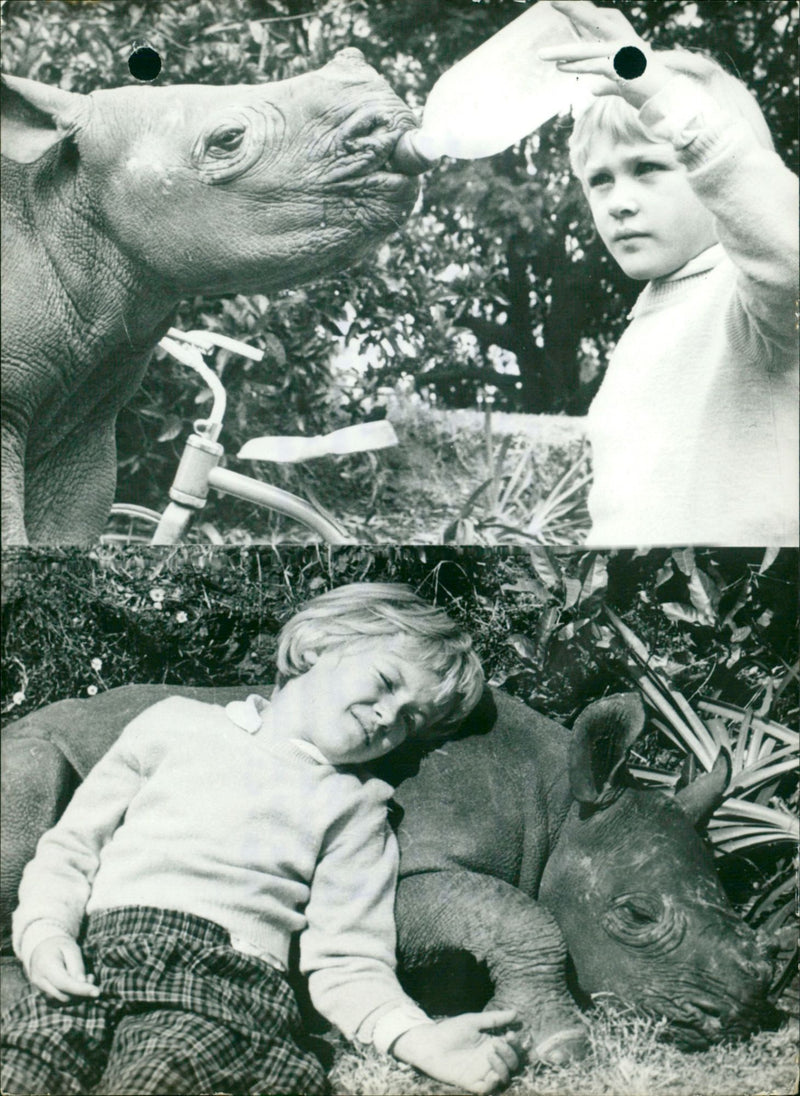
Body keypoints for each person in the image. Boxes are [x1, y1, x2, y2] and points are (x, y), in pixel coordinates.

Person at [1, 583, 521, 1096]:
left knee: (160, 1075)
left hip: (225, 980)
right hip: (98, 958)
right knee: (23, 1063)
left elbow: (348, 958)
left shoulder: (356, 807)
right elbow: (70, 850)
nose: (389, 716)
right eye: (385, 681)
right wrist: (46, 933)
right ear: (316, 645)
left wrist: (417, 1039)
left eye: (411, 719)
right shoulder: (172, 724)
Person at [541, 0, 798, 547]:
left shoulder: (751, 301)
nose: (619, 202)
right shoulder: (649, 320)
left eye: (648, 168)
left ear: (713, 171)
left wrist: (651, 85)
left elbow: (784, 240)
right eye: (600, 180)